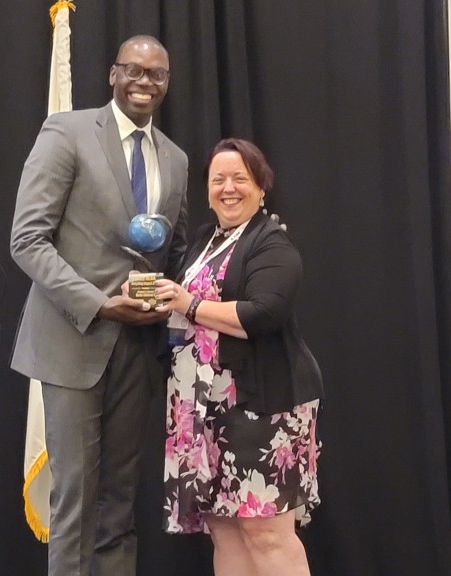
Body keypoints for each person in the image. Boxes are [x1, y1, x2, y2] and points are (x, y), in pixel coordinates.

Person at [9, 35, 188, 576]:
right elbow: (27, 240)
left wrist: (170, 297)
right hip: (73, 340)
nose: (144, 82)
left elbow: (173, 252)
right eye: (133, 70)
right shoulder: (66, 132)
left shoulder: (175, 159)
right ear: (113, 74)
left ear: (166, 83)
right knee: (75, 501)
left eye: (156, 74)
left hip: (138, 347)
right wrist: (99, 305)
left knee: (119, 501)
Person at [152, 138, 324, 576]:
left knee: (266, 533)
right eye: (218, 179)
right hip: (202, 412)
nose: (228, 188)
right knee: (224, 529)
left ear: (261, 188)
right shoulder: (204, 241)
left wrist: (187, 304)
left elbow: (262, 314)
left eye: (240, 179)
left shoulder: (271, 244)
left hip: (259, 406)